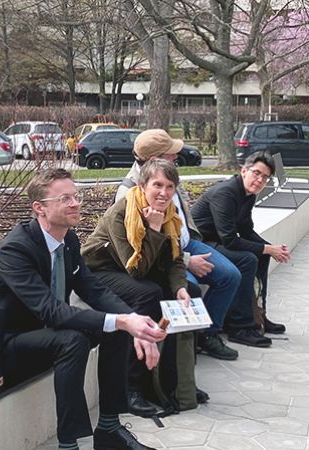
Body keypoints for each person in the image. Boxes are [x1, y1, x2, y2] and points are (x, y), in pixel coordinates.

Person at [0, 168, 166, 450]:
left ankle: (109, 428)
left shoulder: (68, 240)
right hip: (10, 343)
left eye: (76, 196)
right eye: (64, 198)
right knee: (74, 339)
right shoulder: (15, 250)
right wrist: (120, 321)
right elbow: (50, 311)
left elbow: (93, 289)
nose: (75, 203)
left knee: (115, 330)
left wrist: (131, 319)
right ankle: (68, 444)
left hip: (48, 332)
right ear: (39, 208)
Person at [86, 158, 202, 415]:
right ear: (142, 185)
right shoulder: (122, 212)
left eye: (170, 186)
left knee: (189, 294)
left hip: (139, 267)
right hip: (104, 270)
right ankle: (132, 388)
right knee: (147, 294)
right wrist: (154, 228)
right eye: (157, 185)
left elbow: (174, 259)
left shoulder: (170, 214)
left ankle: (174, 381)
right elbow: (135, 269)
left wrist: (181, 287)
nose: (164, 193)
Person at [115, 129, 243, 361]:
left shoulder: (170, 175)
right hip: (168, 255)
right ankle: (185, 353)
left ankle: (207, 334)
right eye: (171, 153)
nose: (177, 156)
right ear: (155, 159)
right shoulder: (129, 193)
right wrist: (186, 261)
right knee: (188, 291)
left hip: (188, 243)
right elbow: (137, 249)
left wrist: (191, 246)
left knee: (231, 275)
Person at [190, 152, 291, 348]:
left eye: (265, 177)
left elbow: (245, 230)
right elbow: (229, 240)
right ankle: (239, 326)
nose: (260, 180)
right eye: (256, 173)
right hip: (201, 244)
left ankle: (258, 315)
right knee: (248, 259)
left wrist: (272, 248)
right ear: (244, 171)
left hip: (217, 242)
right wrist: (268, 248)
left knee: (262, 256)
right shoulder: (226, 193)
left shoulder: (248, 195)